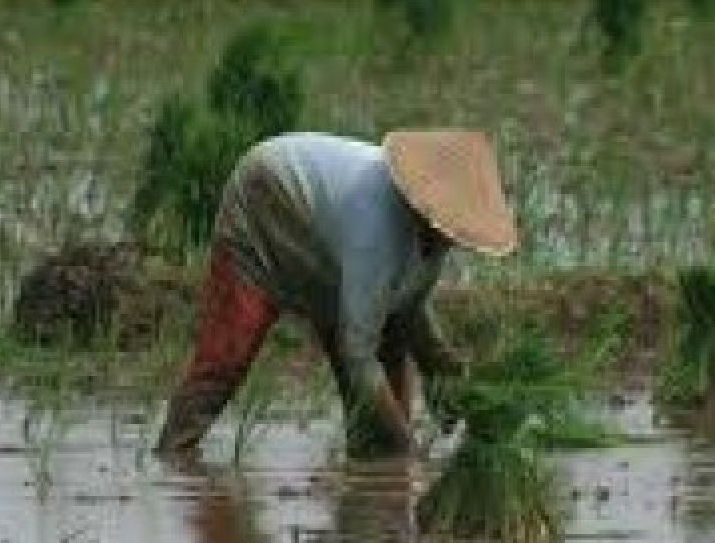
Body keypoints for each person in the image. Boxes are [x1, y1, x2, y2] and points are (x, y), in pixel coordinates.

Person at [153, 130, 518, 458]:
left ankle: (375, 468)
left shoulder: (435, 238)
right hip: (266, 198)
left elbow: (408, 308)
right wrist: (408, 448)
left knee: (389, 344)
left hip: (324, 231)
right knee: (229, 353)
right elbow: (357, 351)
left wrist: (444, 371)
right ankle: (174, 451)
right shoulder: (375, 226)